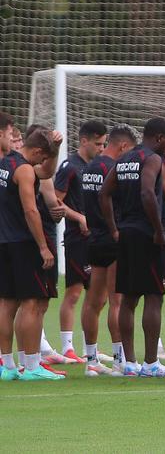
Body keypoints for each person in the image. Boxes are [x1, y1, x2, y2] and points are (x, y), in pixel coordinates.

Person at [101, 118, 165, 377]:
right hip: (147, 234)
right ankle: (151, 363)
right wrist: (157, 229)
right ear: (159, 137)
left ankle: (129, 363)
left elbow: (104, 193)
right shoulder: (151, 158)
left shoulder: (124, 159)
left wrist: (114, 228)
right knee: (154, 296)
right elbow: (146, 193)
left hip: (127, 234)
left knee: (128, 299)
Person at [0, 128, 63, 381]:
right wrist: (43, 247)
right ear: (37, 151)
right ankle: (33, 365)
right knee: (32, 303)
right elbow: (31, 211)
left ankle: (7, 365)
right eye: (43, 157)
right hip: (24, 243)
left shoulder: (6, 163)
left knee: (6, 303)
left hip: (3, 240)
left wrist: (56, 149)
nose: (42, 162)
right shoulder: (24, 169)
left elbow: (46, 172)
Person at [79, 125, 136, 376]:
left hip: (93, 239)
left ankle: (91, 360)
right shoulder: (112, 168)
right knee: (117, 301)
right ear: (123, 146)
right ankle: (118, 360)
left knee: (93, 301)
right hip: (112, 238)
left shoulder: (89, 167)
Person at [52, 119, 108, 363]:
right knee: (74, 292)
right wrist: (79, 218)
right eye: (98, 143)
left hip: (97, 238)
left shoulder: (100, 166)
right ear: (83, 141)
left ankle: (90, 349)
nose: (101, 148)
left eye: (104, 144)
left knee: (97, 295)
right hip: (76, 238)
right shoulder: (69, 166)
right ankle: (67, 347)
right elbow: (55, 200)